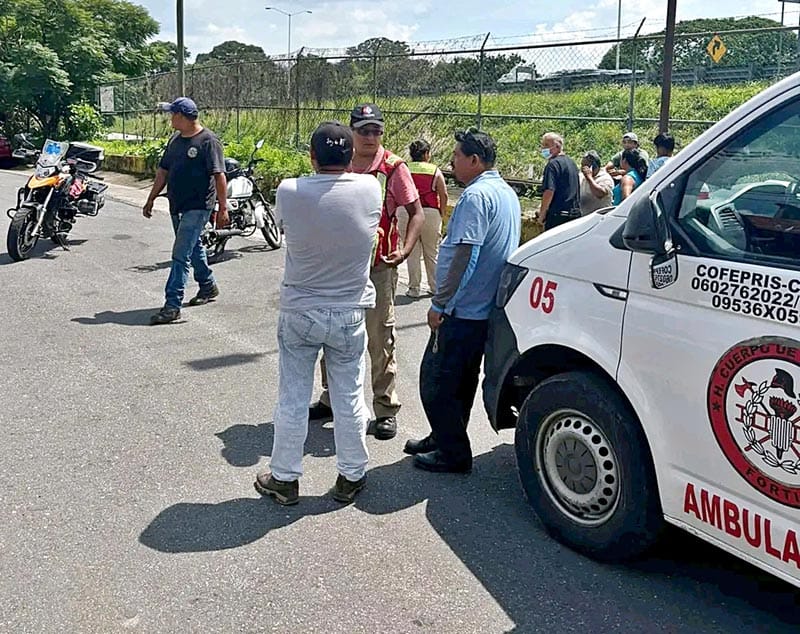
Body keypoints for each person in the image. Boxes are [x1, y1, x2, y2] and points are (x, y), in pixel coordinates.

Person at [254, 121, 382, 506]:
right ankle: (351, 475)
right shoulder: (370, 188)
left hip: (300, 311)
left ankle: (285, 478)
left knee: (293, 396)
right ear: (351, 156)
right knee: (349, 396)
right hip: (349, 312)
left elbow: (283, 227)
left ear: (312, 157)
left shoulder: (289, 190)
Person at [406, 129, 521, 473]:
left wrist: (441, 303)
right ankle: (444, 436)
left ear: (474, 160)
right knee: (461, 381)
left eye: (457, 155)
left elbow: (465, 256)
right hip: (485, 308)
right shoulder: (506, 193)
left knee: (435, 381)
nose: (452, 161)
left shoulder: (475, 197)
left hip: (463, 308)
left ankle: (453, 452)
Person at [308, 104, 423, 441]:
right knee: (332, 331)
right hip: (337, 266)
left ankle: (385, 407)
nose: (371, 137)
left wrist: (403, 251)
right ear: (352, 132)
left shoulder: (392, 167)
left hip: (377, 267)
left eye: (377, 131)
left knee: (379, 337)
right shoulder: (336, 162)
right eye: (364, 131)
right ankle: (331, 397)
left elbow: (415, 213)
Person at [143, 97, 228, 325]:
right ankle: (208, 286)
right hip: (177, 204)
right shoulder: (175, 140)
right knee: (193, 248)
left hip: (199, 206)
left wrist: (223, 208)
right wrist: (151, 198)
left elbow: (220, 176)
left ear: (182, 116)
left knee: (180, 254)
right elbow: (163, 171)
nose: (170, 118)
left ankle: (172, 305)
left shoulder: (208, 141)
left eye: (172, 114)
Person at [397, 139, 449, 298]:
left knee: (411, 251)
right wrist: (441, 212)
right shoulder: (434, 170)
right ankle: (435, 288)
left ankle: (414, 288)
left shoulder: (403, 168)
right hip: (430, 213)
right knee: (432, 252)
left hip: (407, 212)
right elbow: (443, 194)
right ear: (426, 154)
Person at [536, 132, 580, 231]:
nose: (543, 148)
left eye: (546, 145)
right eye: (542, 145)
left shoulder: (552, 165)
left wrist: (541, 215)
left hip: (558, 217)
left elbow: (549, 191)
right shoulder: (572, 163)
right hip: (574, 216)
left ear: (557, 146)